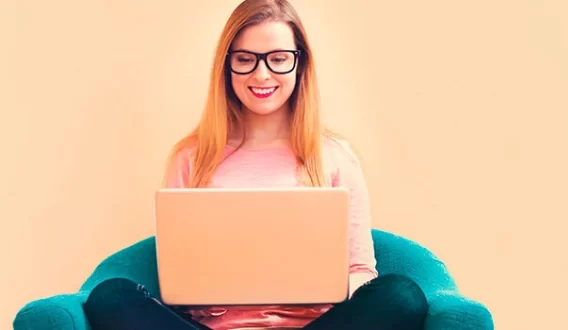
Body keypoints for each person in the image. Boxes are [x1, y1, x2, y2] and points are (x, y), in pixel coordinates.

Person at [82, 0, 428, 329]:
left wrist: (324, 290)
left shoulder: (336, 156)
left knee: (401, 295)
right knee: (110, 297)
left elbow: (361, 270)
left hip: (318, 326)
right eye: (246, 59)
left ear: (300, 64)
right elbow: (177, 280)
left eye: (278, 59)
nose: (262, 75)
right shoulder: (191, 157)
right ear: (227, 66)